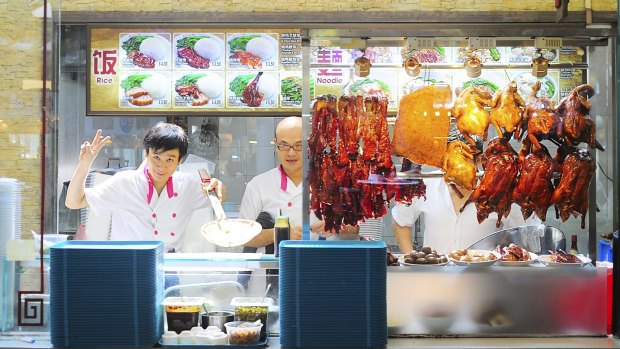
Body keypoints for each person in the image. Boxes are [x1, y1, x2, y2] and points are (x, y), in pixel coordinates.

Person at [65, 122, 225, 252]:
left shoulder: (187, 185)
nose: (161, 166)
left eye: (169, 160)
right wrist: (84, 164)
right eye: (156, 157)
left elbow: (217, 195)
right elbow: (74, 202)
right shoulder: (125, 182)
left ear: (180, 160)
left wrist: (218, 186)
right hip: (127, 265)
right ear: (146, 154)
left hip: (168, 268)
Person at [391, 177, 540, 254]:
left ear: (479, 160)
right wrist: (410, 258)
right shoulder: (427, 185)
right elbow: (400, 221)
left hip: (483, 283)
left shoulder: (500, 193)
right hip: (434, 279)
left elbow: (532, 231)